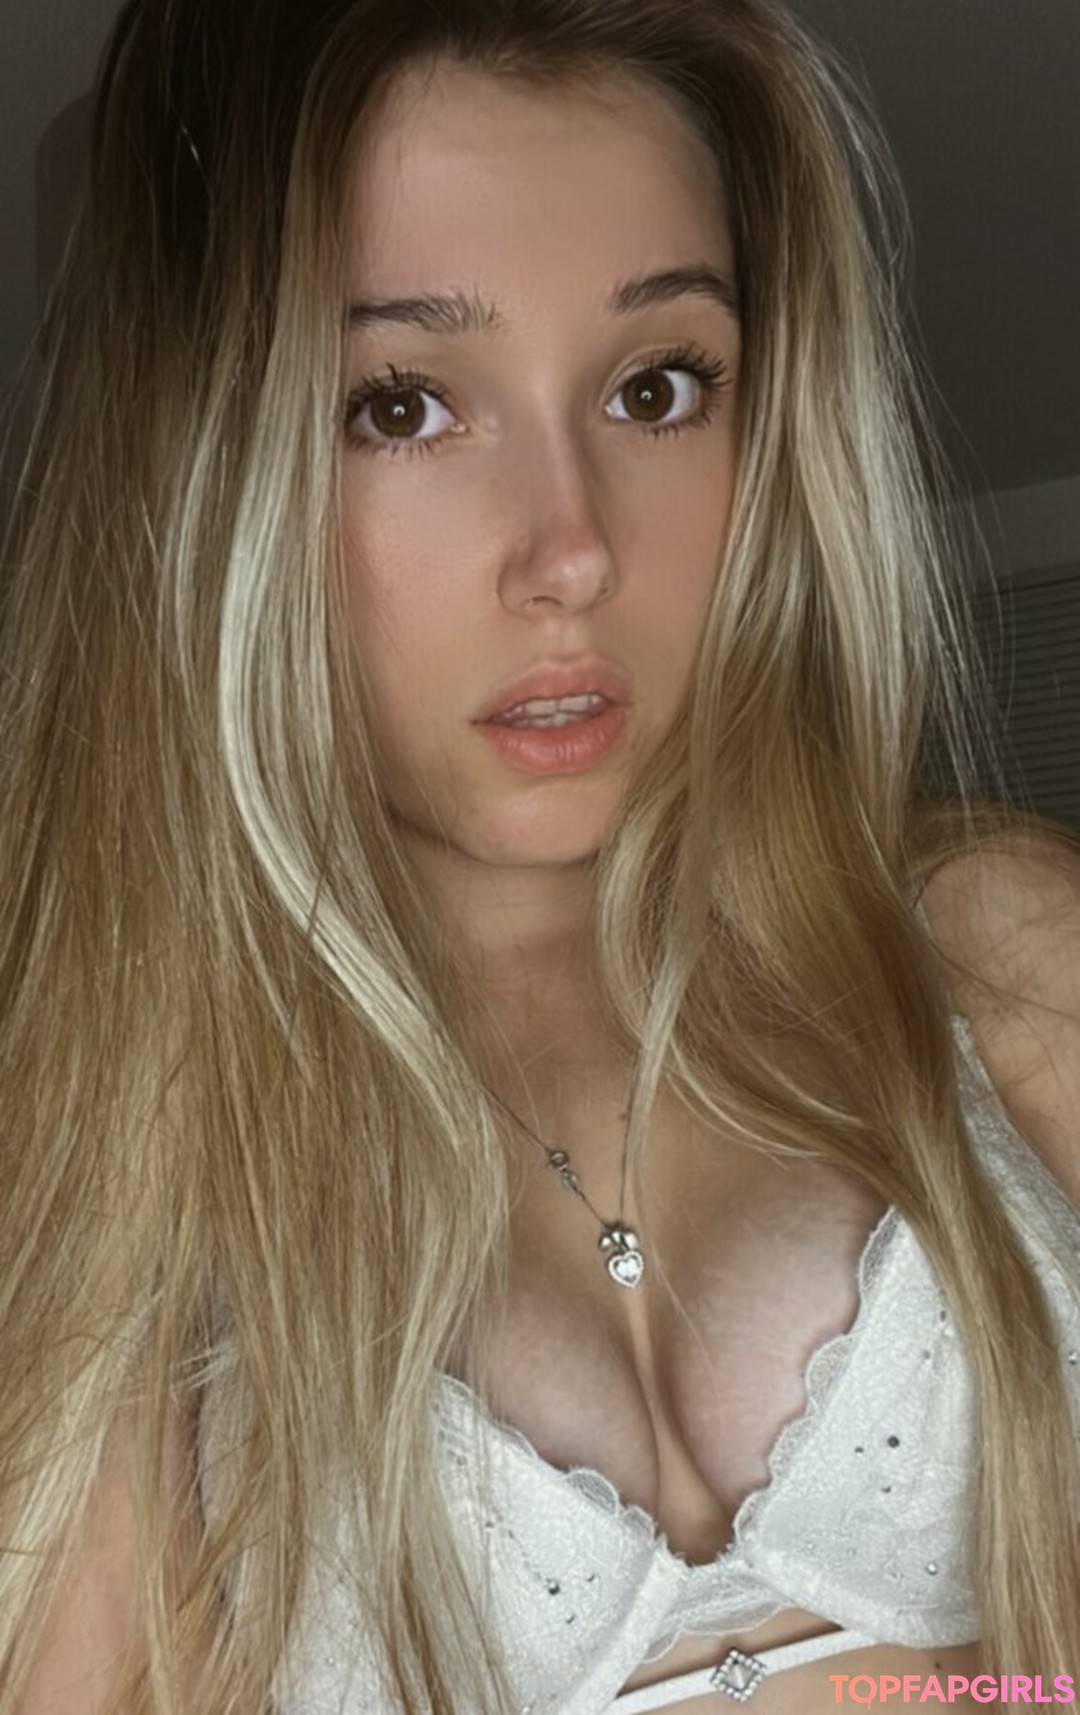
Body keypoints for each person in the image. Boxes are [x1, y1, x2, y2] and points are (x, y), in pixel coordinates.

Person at [1, 0, 1078, 1710]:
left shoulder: (998, 955)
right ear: (207, 476)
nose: (572, 552)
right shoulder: (119, 1179)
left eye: (657, 387)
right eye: (402, 406)